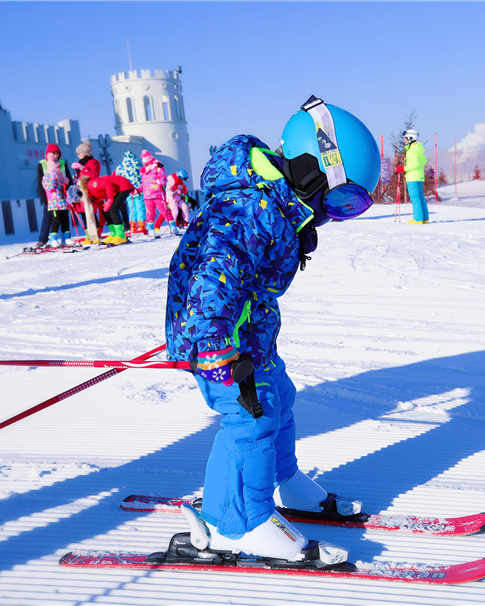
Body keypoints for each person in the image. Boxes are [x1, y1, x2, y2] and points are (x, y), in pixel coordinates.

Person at [164, 95, 380, 565]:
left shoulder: (274, 206)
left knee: (279, 398)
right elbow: (212, 277)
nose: (335, 215)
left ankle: (289, 483)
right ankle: (236, 524)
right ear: (312, 169)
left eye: (350, 207)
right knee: (251, 419)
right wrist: (217, 344)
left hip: (250, 338)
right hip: (220, 344)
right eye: (340, 199)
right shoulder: (250, 209)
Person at [35, 143, 72, 247]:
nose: (56, 156)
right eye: (53, 153)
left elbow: (68, 178)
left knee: (64, 217)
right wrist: (43, 197)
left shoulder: (62, 163)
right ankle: (43, 239)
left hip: (62, 196)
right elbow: (39, 182)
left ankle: (66, 237)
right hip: (50, 196)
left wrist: (70, 192)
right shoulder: (42, 164)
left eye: (57, 153)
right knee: (48, 218)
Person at [86, 173, 135, 245]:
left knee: (113, 209)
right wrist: (100, 228)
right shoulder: (92, 195)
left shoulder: (91, 186)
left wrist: (110, 199)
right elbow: (102, 210)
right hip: (117, 189)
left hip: (123, 185)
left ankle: (120, 234)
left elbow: (108, 184)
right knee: (106, 210)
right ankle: (113, 233)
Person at [71, 142, 102, 244]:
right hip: (83, 191)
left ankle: (95, 234)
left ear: (84, 153)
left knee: (90, 213)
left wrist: (81, 168)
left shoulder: (93, 162)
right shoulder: (83, 163)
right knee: (84, 213)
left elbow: (93, 175)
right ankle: (89, 235)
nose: (78, 155)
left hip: (90, 191)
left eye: (79, 153)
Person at [138, 150, 171, 238]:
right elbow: (144, 184)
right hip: (147, 196)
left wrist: (160, 181)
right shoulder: (144, 171)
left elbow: (163, 178)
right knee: (150, 213)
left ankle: (173, 226)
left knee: (165, 210)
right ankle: (151, 229)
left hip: (158, 194)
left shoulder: (158, 167)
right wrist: (138, 189)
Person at [42, 154, 70, 246]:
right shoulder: (46, 178)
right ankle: (53, 238)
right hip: (54, 204)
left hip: (63, 203)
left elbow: (66, 186)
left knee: (65, 221)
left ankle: (66, 238)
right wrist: (54, 178)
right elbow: (50, 188)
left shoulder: (60, 176)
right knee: (56, 221)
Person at [117, 151, 147, 236]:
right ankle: (141, 226)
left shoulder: (120, 166)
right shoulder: (136, 163)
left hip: (127, 190)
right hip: (138, 189)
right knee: (140, 208)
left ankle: (132, 226)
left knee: (132, 208)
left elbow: (118, 176)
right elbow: (143, 173)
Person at [402, 129, 429, 224]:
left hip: (413, 177)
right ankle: (424, 218)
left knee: (415, 198)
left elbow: (415, 164)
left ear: (410, 138)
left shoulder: (412, 150)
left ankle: (418, 219)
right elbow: (423, 161)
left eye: (405, 139)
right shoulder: (419, 149)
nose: (404, 141)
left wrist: (403, 168)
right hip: (419, 176)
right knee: (420, 197)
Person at [165, 169, 190, 235]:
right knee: (175, 212)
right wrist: (176, 192)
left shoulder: (180, 181)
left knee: (185, 207)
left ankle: (185, 222)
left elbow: (183, 188)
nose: (183, 180)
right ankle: (172, 226)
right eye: (183, 179)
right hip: (172, 199)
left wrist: (183, 192)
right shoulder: (172, 180)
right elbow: (169, 190)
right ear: (179, 176)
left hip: (178, 198)